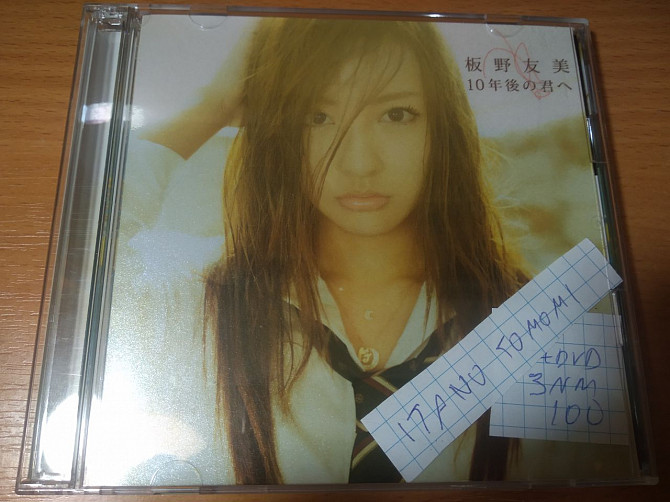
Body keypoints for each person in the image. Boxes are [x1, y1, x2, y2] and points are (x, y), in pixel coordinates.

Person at [142, 17, 528, 485]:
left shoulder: (531, 318)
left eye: (396, 114)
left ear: (443, 127)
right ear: (278, 135)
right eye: (316, 117)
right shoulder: (201, 295)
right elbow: (81, 249)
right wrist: (214, 103)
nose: (360, 163)